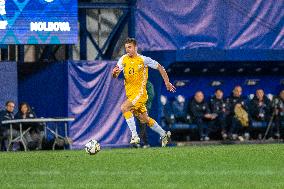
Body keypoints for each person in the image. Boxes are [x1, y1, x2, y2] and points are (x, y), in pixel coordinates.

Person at [112, 37, 175, 147]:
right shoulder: (123, 59)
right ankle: (164, 134)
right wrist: (114, 73)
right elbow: (115, 74)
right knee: (144, 119)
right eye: (126, 47)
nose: (128, 50)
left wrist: (167, 82)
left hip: (140, 94)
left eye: (130, 47)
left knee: (124, 108)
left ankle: (135, 136)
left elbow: (160, 67)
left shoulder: (143, 60)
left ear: (135, 47)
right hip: (131, 94)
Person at [137, 81, 155, 148]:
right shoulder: (137, 84)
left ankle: (137, 141)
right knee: (141, 125)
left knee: (143, 125)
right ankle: (146, 143)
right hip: (137, 107)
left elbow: (151, 95)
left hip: (145, 108)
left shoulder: (148, 84)